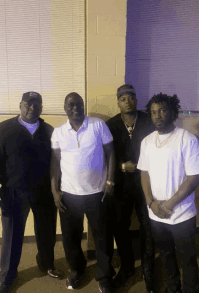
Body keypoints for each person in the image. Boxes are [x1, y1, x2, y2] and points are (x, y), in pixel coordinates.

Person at [137, 93, 199, 293]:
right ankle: (172, 287)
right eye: (153, 112)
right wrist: (151, 203)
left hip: (182, 214)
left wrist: (169, 204)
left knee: (187, 258)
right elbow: (144, 174)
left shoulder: (187, 139)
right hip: (156, 214)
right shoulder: (147, 142)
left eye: (162, 110)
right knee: (166, 255)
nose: (157, 115)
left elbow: (194, 178)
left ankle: (190, 289)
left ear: (173, 112)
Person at [51, 92, 116, 293]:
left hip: (98, 193)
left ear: (83, 105)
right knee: (71, 238)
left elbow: (111, 153)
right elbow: (54, 163)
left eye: (79, 104)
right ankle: (77, 271)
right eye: (70, 104)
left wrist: (110, 181)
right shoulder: (58, 132)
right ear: (65, 108)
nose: (75, 107)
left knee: (102, 236)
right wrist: (54, 191)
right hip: (69, 195)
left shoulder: (98, 125)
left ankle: (104, 276)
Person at [0, 92, 62, 293]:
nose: (31, 108)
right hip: (13, 192)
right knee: (12, 237)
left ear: (41, 108)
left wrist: (55, 189)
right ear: (20, 105)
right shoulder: (4, 128)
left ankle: (46, 264)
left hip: (43, 192)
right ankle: (7, 275)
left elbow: (55, 163)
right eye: (28, 104)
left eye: (36, 105)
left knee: (46, 233)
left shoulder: (49, 130)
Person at [106, 84, 155, 292]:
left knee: (148, 226)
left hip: (146, 183)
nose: (128, 101)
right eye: (123, 98)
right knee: (120, 226)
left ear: (137, 99)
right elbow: (104, 156)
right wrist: (120, 166)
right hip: (121, 184)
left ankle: (148, 267)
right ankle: (127, 266)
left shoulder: (148, 121)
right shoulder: (111, 125)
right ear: (118, 102)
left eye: (131, 97)